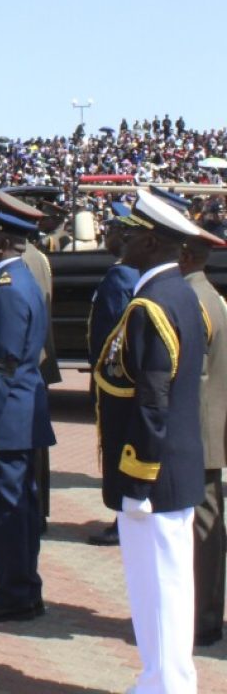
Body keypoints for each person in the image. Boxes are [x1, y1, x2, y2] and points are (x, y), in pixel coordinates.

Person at [94, 189, 207, 692]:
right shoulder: (182, 292)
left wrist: (137, 477)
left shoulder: (151, 303)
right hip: (174, 467)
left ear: (153, 241)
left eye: (134, 233)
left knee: (157, 588)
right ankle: (168, 678)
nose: (122, 239)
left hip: (152, 475)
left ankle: (164, 685)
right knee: (170, 584)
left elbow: (153, 400)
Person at [0, 202, 55, 622]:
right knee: (19, 511)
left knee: (3, 513)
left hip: (4, 421)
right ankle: (23, 588)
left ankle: (14, 592)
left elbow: (0, 365)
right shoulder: (18, 279)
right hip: (20, 416)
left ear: (1, 242)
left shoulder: (6, 289)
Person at [180, 227, 227, 647]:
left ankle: (204, 618)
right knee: (206, 524)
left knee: (203, 530)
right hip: (207, 424)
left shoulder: (194, 299)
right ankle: (206, 613)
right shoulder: (208, 293)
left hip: (198, 427)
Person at [86, 203, 140, 547]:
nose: (104, 236)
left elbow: (115, 336)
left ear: (123, 236)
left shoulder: (121, 277)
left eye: (109, 231)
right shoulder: (125, 273)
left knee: (118, 448)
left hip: (115, 381)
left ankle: (123, 520)